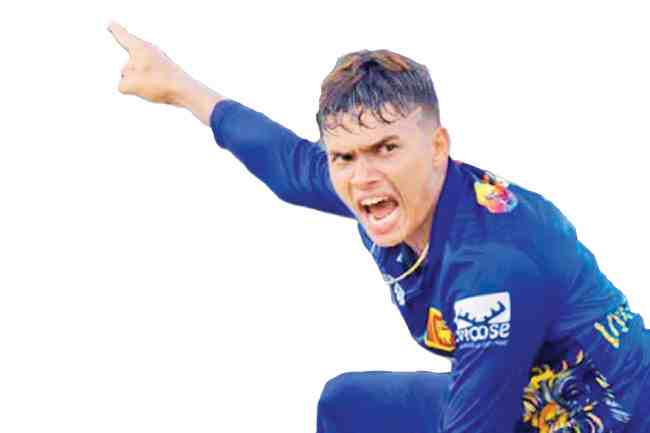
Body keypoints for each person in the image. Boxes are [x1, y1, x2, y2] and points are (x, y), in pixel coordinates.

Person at [107, 22, 650, 433]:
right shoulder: (383, 188)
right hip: (525, 390)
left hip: (607, 415)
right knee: (345, 404)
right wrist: (179, 88)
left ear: (437, 147)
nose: (363, 178)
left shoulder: (492, 269)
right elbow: (288, 165)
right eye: (343, 156)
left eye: (386, 148)